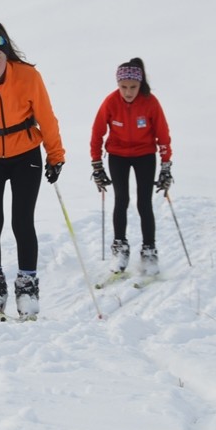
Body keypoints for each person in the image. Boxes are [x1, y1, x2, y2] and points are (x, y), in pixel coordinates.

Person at [0, 18, 65, 319]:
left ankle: (27, 288)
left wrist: (56, 156)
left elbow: (46, 115)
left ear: (7, 56)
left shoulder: (29, 76)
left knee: (22, 220)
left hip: (26, 154)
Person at [89, 57, 172, 276]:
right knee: (121, 199)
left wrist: (166, 166)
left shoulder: (150, 102)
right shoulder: (111, 102)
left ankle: (149, 251)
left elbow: (163, 136)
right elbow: (97, 133)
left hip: (145, 154)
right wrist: (97, 164)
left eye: (133, 87)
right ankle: (120, 248)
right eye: (123, 87)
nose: (128, 92)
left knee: (144, 203)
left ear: (140, 84)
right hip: (117, 155)